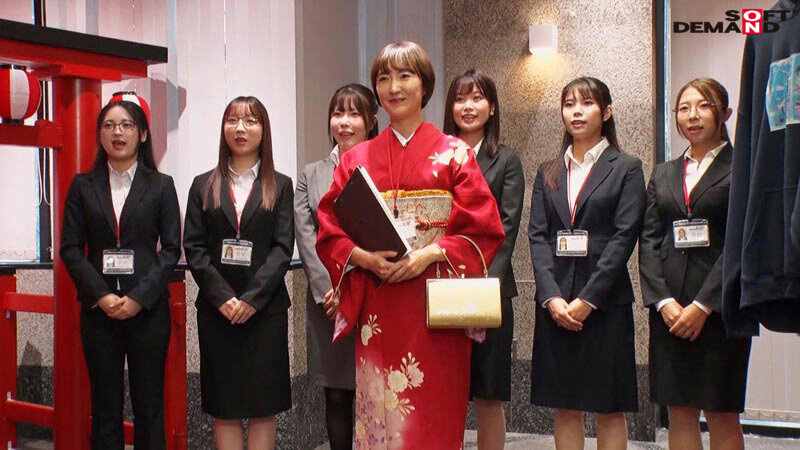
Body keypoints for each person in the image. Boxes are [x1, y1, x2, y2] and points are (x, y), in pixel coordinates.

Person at [315, 41, 504, 449]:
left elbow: (484, 228)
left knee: (434, 416)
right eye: (384, 78)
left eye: (405, 76)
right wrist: (362, 257)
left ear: (425, 85)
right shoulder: (356, 159)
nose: (394, 87)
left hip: (436, 305)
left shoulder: (454, 153)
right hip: (379, 304)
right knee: (379, 418)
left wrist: (432, 253)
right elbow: (329, 226)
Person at [528, 77, 645, 449]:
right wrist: (551, 297)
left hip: (605, 303)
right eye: (569, 104)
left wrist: (588, 300)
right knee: (565, 405)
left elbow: (624, 238)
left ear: (606, 112)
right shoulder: (548, 170)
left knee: (609, 407)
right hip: (557, 304)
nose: (576, 112)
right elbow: (538, 237)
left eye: (587, 103)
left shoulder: (626, 167)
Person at [60, 93, 181, 449]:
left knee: (149, 407)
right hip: (100, 313)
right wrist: (101, 296)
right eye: (110, 125)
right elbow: (70, 249)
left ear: (142, 134)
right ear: (100, 134)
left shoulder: (161, 185)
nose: (118, 132)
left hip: (147, 312)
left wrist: (138, 298)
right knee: (105, 409)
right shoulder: (83, 186)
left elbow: (170, 249)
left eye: (127, 125)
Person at [639, 78, 751, 450]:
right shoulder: (663, 173)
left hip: (720, 309)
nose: (693, 116)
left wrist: (703, 306)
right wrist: (663, 302)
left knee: (721, 412)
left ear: (725, 113)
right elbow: (649, 241)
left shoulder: (744, 168)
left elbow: (740, 242)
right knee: (679, 411)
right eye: (684, 108)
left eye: (704, 106)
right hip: (670, 311)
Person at [183, 96, 294, 450]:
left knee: (264, 406)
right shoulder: (203, 184)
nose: (240, 128)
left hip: (266, 311)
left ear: (264, 130)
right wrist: (223, 298)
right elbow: (194, 248)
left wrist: (251, 300)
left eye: (250, 121)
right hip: (218, 312)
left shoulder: (280, 184)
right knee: (225, 406)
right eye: (232, 120)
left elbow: (282, 248)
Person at [443, 69, 524, 450]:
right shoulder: (438, 158)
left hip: (489, 289)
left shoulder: (506, 160)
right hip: (441, 288)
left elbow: (507, 228)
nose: (468, 106)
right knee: (446, 393)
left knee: (488, 395)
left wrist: (482, 287)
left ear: (492, 107)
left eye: (477, 98)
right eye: (460, 99)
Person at [294, 84, 379, 450]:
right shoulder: (310, 174)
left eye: (354, 114)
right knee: (338, 394)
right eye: (338, 113)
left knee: (378, 393)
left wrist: (358, 284)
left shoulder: (384, 165)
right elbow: (306, 237)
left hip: (377, 295)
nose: (344, 122)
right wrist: (328, 290)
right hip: (328, 301)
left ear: (371, 121)